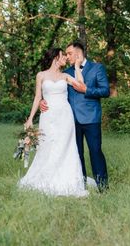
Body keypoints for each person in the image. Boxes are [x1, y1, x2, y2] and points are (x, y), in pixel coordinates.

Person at [40, 41, 110, 192]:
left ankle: (103, 187)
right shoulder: (66, 73)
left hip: (91, 119)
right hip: (70, 120)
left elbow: (105, 91)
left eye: (69, 54)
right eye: (65, 54)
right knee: (76, 154)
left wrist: (87, 90)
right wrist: (42, 101)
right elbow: (53, 90)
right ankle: (80, 184)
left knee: (95, 152)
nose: (67, 57)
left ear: (78, 54)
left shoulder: (97, 68)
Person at [18, 48, 88, 197]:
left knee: (65, 145)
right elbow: (38, 97)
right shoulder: (41, 75)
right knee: (47, 145)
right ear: (56, 57)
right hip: (48, 116)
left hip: (65, 116)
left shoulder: (66, 76)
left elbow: (81, 85)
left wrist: (76, 67)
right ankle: (45, 177)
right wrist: (30, 119)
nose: (66, 58)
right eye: (64, 56)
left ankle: (67, 180)